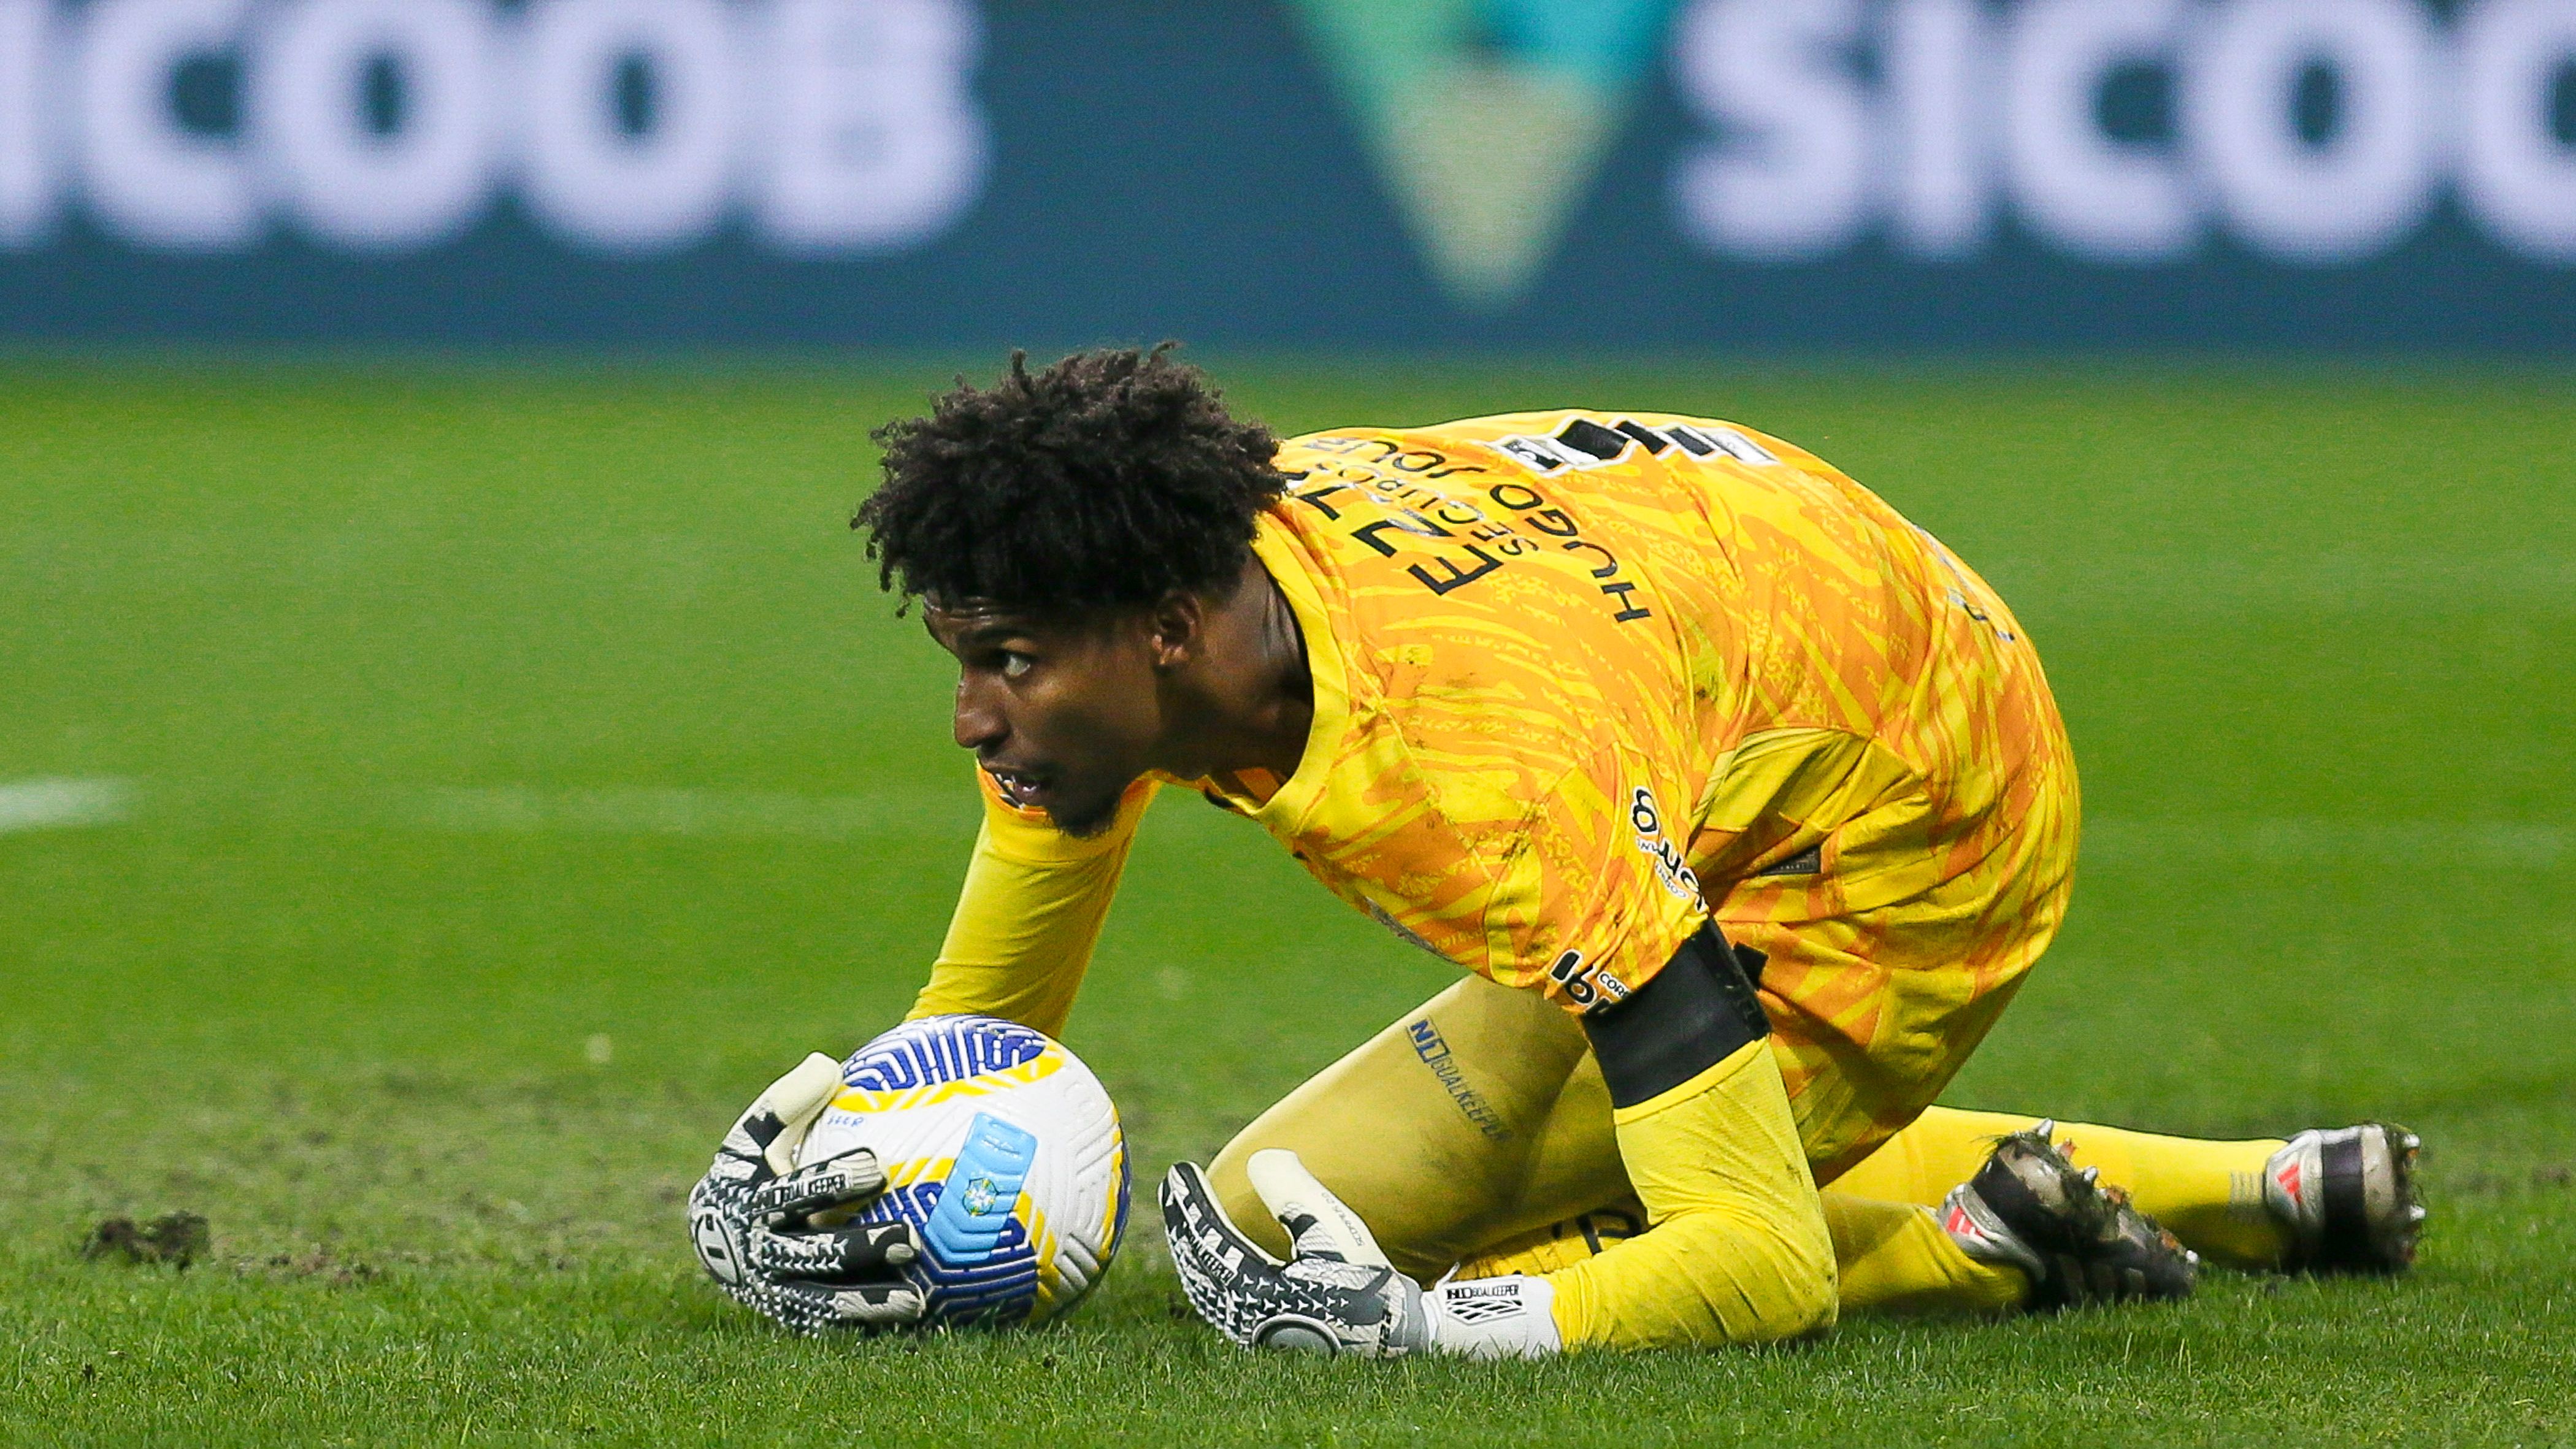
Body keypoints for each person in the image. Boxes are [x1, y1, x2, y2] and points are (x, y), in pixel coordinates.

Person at [688, 347, 2423, 1353]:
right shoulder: (1182, 575)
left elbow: (1757, 1260)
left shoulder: (1493, 784)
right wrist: (863, 1162)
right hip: (1749, 656)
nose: (974, 719)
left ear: (1160, 637)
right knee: (1288, 1213)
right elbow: (992, 1034)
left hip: (1913, 812)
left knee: (1348, 1254)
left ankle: (1961, 1244)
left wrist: (1434, 1335)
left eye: (1006, 663)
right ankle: (2267, 1187)